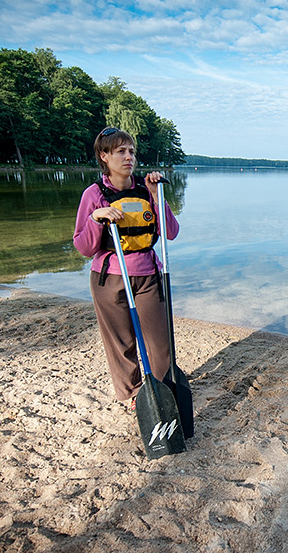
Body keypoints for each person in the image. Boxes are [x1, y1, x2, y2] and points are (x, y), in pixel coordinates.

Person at [73, 127, 179, 408]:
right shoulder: (94, 194)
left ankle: (162, 390)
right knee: (121, 344)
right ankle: (134, 394)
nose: (128, 156)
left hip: (148, 275)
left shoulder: (147, 189)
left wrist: (157, 196)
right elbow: (83, 247)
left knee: (160, 342)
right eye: (121, 151)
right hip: (109, 277)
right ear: (104, 156)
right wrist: (96, 217)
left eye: (131, 151)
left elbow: (171, 232)